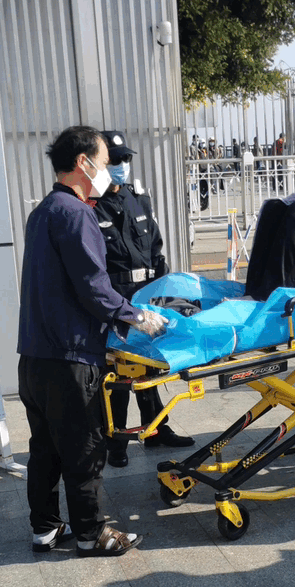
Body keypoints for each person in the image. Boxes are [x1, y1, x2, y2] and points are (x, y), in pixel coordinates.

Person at [18, 126, 168, 557]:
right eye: (104, 163)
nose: (108, 170)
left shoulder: (43, 211)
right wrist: (136, 316)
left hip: (35, 357)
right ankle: (91, 533)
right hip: (70, 357)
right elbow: (94, 287)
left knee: (45, 449)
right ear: (83, 163)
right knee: (84, 448)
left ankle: (45, 527)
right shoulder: (77, 213)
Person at [95, 130, 195, 468]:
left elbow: (156, 249)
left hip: (146, 294)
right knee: (119, 373)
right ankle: (116, 441)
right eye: (115, 160)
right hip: (115, 298)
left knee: (150, 366)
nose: (122, 165)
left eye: (126, 159)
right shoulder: (90, 206)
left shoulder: (138, 199)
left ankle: (156, 430)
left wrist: (162, 291)